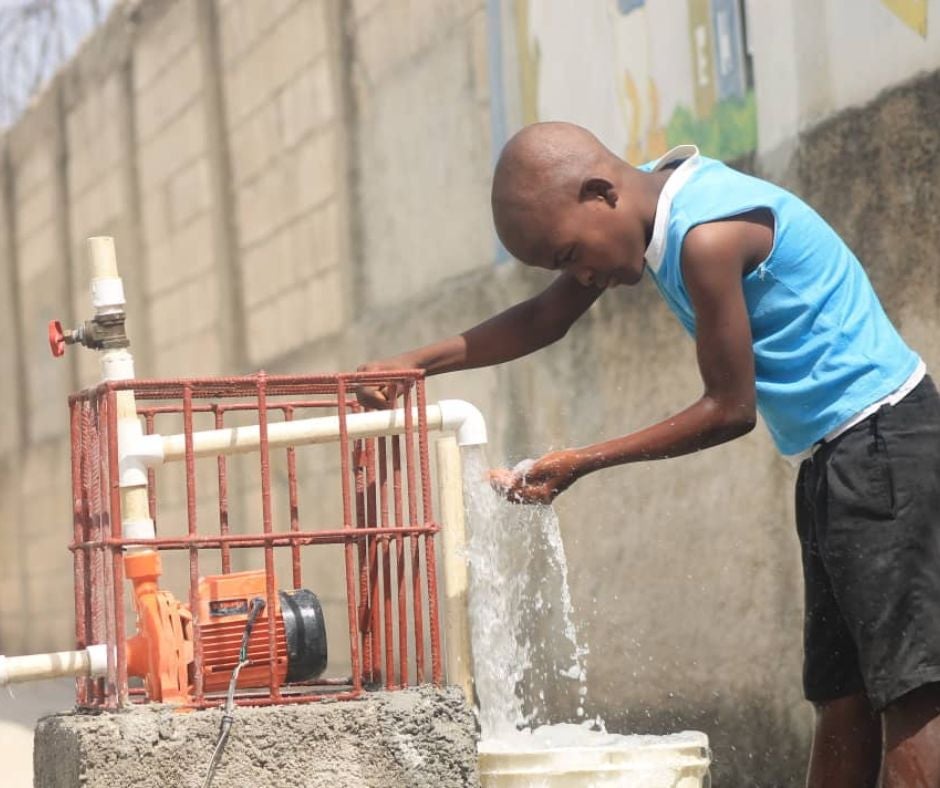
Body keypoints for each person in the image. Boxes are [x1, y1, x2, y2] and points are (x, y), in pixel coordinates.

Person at [357, 121, 940, 787]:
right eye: (563, 267)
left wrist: (581, 461)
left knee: (908, 688)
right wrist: (414, 365)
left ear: (600, 190)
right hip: (838, 461)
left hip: (885, 449)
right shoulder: (646, 209)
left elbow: (729, 410)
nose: (581, 274)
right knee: (845, 694)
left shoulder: (705, 237)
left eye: (572, 254)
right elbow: (546, 318)